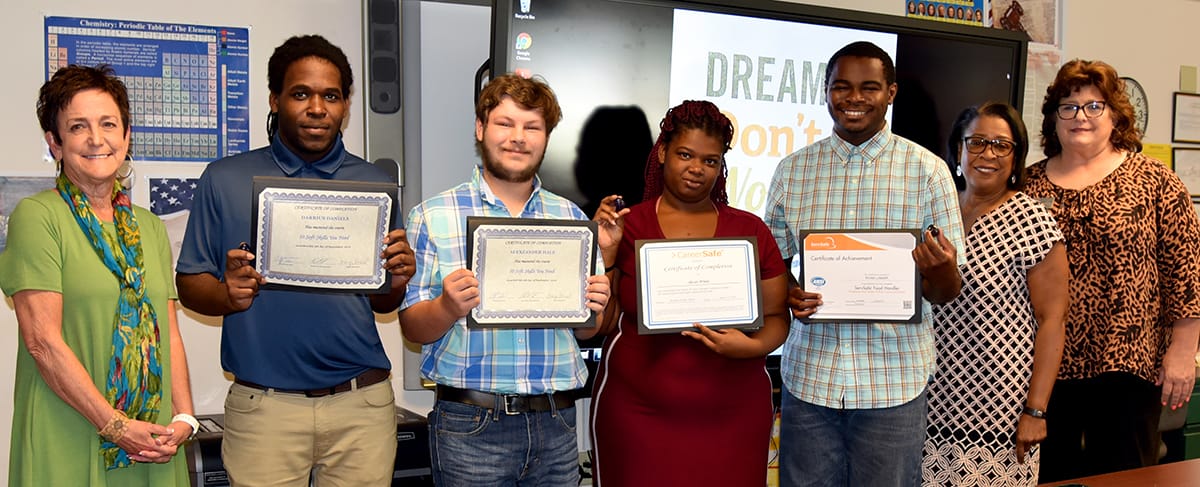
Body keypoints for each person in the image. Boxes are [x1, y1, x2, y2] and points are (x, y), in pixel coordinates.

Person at [175, 35, 414, 486]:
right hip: (265, 410)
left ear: (345, 105)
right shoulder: (224, 178)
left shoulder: (374, 184)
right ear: (276, 99)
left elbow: (383, 303)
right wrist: (228, 294)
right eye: (301, 93)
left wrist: (398, 276)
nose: (317, 108)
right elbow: (189, 284)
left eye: (331, 95)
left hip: (361, 407)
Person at [764, 40, 965, 487]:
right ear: (826, 90)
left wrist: (940, 268)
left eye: (869, 87)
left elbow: (948, 290)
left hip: (893, 380)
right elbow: (772, 266)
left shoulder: (927, 172)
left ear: (891, 92)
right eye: (841, 87)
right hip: (810, 375)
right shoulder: (792, 171)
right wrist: (790, 291)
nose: (854, 98)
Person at [398, 73, 611, 486]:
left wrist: (593, 308)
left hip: (558, 423)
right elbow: (411, 326)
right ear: (480, 128)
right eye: (505, 123)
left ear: (546, 137)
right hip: (470, 426)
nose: (518, 137)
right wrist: (446, 307)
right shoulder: (432, 215)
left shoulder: (571, 220)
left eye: (532, 127)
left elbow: (587, 330)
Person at [0, 64, 196, 485]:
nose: (96, 139)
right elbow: (43, 343)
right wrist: (116, 426)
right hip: (70, 428)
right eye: (77, 127)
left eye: (108, 124)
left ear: (126, 136)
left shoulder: (149, 227)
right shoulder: (37, 218)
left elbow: (169, 331)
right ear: (54, 143)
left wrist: (184, 417)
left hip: (153, 440)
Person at [587, 100, 794, 486]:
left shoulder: (751, 231)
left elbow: (778, 317)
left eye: (711, 161)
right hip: (637, 414)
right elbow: (602, 324)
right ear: (663, 152)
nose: (697, 169)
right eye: (685, 154)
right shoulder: (627, 226)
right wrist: (607, 254)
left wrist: (750, 347)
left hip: (733, 416)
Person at [1024, 59, 1200, 482]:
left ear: (1116, 114)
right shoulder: (1029, 186)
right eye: (1067, 107)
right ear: (1053, 118)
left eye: (1093, 106)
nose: (1079, 116)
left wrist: (1183, 351)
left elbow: (1187, 271)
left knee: (1125, 477)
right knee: (1051, 476)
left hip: (1129, 362)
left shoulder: (1156, 180)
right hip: (1045, 366)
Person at [920, 102, 1068, 487]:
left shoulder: (1033, 220)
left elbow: (1053, 320)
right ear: (958, 150)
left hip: (1000, 414)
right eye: (978, 143)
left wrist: (1036, 410)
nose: (988, 154)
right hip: (927, 408)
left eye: (1002, 145)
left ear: (1016, 156)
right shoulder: (934, 211)